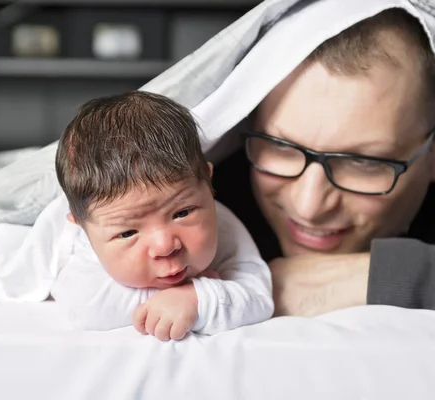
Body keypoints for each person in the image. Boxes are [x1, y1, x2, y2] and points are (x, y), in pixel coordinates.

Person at [213, 8, 435, 324]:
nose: (309, 207)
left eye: (362, 162)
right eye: (281, 146)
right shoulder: (203, 195)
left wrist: (366, 277)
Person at [51, 91, 274, 341]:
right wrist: (178, 294)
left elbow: (259, 296)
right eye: (128, 233)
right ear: (83, 229)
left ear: (207, 183)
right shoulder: (87, 240)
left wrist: (196, 299)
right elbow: (82, 308)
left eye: (182, 213)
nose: (165, 246)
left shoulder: (223, 224)